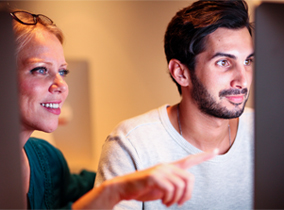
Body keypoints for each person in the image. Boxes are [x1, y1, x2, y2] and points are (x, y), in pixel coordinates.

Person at [11, 9, 218, 209]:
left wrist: (136, 167)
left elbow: (92, 185)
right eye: (40, 70)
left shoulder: (47, 158)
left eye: (63, 71)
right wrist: (112, 193)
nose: (62, 85)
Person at [95, 0, 254, 209]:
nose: (242, 80)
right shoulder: (133, 144)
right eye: (223, 62)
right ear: (181, 73)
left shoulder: (267, 131)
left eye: (248, 61)